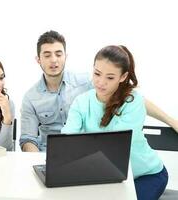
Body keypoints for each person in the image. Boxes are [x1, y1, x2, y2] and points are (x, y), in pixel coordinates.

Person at [20, 30, 178, 152]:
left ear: (65, 56)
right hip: (47, 154)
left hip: (85, 154)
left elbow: (129, 97)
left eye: (58, 54)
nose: (54, 60)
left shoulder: (89, 82)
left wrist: (171, 121)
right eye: (47, 55)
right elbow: (28, 139)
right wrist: (37, 162)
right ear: (38, 60)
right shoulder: (30, 97)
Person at [61, 45, 168, 200]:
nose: (101, 82)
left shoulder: (133, 101)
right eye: (97, 73)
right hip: (106, 175)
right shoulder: (81, 102)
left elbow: (116, 145)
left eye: (110, 77)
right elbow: (67, 140)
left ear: (123, 77)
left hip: (146, 175)